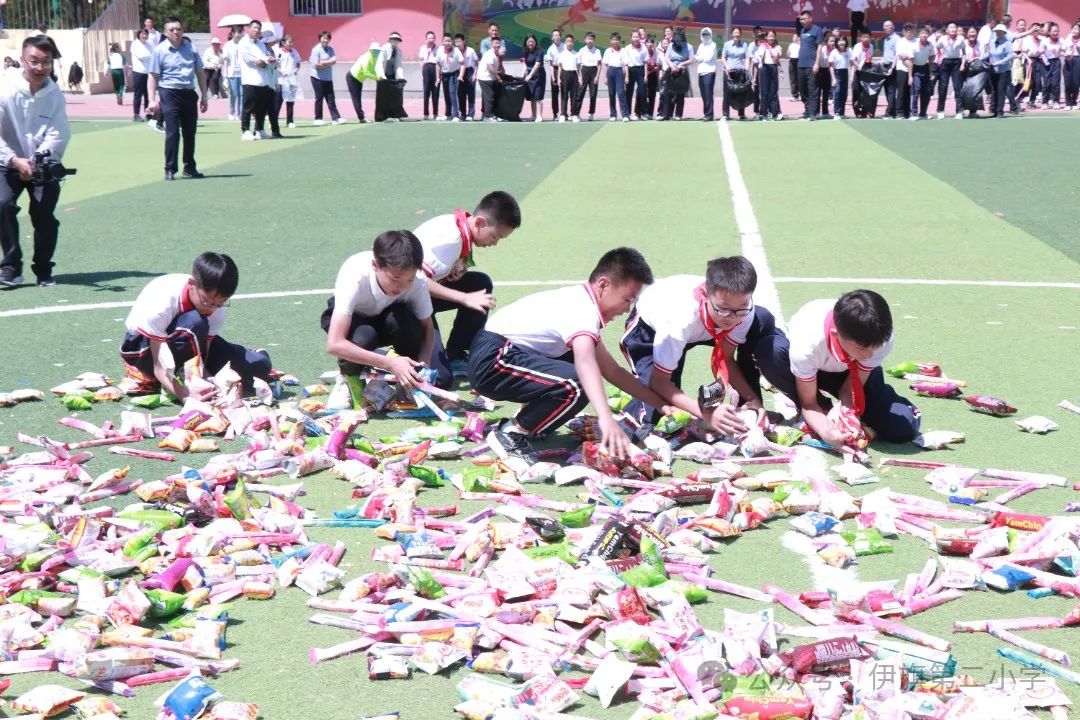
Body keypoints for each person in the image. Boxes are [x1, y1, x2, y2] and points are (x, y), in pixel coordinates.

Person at [468, 248, 673, 470]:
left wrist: (659, 403)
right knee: (577, 382)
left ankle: (530, 422)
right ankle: (511, 432)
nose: (627, 309)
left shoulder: (582, 304)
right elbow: (586, 364)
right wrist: (606, 418)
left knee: (578, 371)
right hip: (495, 359)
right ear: (603, 285)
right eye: (626, 299)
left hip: (502, 355)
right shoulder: (582, 310)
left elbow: (612, 370)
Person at [620, 257, 782, 434]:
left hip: (704, 327)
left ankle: (746, 407)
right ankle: (632, 405)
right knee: (660, 416)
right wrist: (706, 413)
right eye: (724, 308)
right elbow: (659, 382)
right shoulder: (679, 320)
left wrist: (752, 398)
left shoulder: (743, 312)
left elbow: (725, 359)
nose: (733, 317)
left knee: (762, 319)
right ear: (705, 295)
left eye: (741, 308)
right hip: (649, 332)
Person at [757, 290, 921, 445]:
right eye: (863, 348)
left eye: (875, 348)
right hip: (810, 366)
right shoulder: (807, 344)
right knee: (770, 351)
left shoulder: (880, 338)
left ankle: (899, 407)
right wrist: (827, 433)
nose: (870, 355)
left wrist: (848, 413)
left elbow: (850, 390)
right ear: (836, 335)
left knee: (901, 429)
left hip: (851, 371)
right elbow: (809, 405)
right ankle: (825, 407)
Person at [120, 252, 272, 399]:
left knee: (258, 368)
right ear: (192, 284)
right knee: (195, 322)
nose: (212, 308)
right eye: (207, 302)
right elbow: (159, 368)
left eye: (220, 304)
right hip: (142, 351)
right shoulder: (162, 303)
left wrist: (212, 384)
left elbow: (203, 353)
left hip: (189, 342)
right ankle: (177, 376)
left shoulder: (216, 306)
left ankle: (250, 355)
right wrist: (187, 397)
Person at [414, 191, 521, 381]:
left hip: (421, 297)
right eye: (495, 236)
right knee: (440, 379)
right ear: (479, 222)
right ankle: (396, 354)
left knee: (479, 284)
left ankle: (455, 355)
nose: (495, 243)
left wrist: (451, 272)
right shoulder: (451, 239)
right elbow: (416, 281)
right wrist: (464, 297)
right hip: (408, 304)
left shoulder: (459, 227)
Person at [322, 230, 436, 391]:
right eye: (395, 278)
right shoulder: (355, 275)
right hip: (354, 322)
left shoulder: (418, 281)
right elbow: (334, 344)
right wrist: (390, 363)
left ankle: (407, 378)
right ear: (376, 265)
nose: (402, 286)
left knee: (405, 320)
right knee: (365, 336)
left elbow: (427, 327)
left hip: (387, 320)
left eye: (409, 279)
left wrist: (424, 365)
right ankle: (348, 379)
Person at [0, 35, 69, 289]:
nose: (40, 68)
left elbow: (58, 133)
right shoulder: (4, 86)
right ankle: (11, 267)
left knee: (43, 215)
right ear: (22, 60)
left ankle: (43, 268)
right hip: (6, 160)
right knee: (2, 204)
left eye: (46, 62)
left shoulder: (55, 95)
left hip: (43, 163)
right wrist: (14, 160)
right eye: (34, 61)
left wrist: (40, 159)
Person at [146, 17, 207, 181]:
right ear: (165, 32)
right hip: (169, 93)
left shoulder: (191, 48)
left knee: (190, 132)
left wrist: (204, 96)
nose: (175, 32)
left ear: (183, 31)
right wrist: (152, 100)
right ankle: (170, 169)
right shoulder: (160, 50)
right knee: (172, 132)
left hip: (188, 93)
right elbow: (152, 76)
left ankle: (189, 167)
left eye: (178, 29)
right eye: (171, 29)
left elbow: (200, 72)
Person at [238, 20, 276, 141]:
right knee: (248, 107)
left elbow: (263, 59)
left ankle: (259, 130)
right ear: (248, 29)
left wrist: (268, 60)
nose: (257, 30)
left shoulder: (261, 43)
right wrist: (262, 61)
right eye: (254, 28)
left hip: (263, 81)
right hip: (250, 80)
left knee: (261, 107)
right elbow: (250, 60)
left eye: (259, 28)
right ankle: (245, 131)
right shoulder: (243, 43)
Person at [310, 31, 344, 125]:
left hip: (328, 78)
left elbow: (334, 60)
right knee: (319, 98)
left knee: (331, 98)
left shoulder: (331, 49)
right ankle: (318, 119)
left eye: (327, 38)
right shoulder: (316, 49)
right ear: (320, 38)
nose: (325, 40)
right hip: (317, 78)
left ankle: (336, 118)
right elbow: (316, 65)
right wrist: (328, 63)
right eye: (323, 38)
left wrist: (324, 63)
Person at [796, 11, 823, 119]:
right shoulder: (802, 30)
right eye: (801, 19)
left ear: (810, 18)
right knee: (803, 90)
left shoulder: (817, 30)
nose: (802, 21)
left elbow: (820, 47)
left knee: (812, 89)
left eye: (804, 19)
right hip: (800, 65)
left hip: (811, 65)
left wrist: (816, 63)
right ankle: (807, 110)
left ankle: (812, 113)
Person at [934, 22, 964, 118]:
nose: (953, 29)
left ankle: (959, 111)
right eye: (951, 27)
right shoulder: (943, 38)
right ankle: (940, 111)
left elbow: (964, 51)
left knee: (957, 87)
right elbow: (937, 47)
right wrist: (940, 57)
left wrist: (963, 63)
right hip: (945, 63)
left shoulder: (961, 39)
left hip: (956, 63)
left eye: (955, 27)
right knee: (943, 87)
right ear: (947, 30)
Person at [375, 31, 406, 122]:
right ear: (390, 40)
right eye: (393, 39)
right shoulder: (384, 49)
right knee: (382, 97)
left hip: (392, 76)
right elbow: (380, 63)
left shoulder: (399, 51)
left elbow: (398, 65)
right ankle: (381, 116)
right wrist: (382, 76)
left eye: (397, 40)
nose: (395, 41)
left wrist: (400, 77)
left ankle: (394, 114)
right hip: (383, 76)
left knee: (394, 96)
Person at [985, 23, 1014, 118]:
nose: (998, 33)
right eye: (997, 31)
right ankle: (994, 110)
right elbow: (989, 54)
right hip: (993, 70)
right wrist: (978, 58)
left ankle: (1000, 111)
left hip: (1003, 70)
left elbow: (1010, 56)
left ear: (1003, 32)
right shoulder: (992, 42)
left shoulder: (1007, 43)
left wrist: (999, 62)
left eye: (1000, 31)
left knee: (1001, 90)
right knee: (994, 90)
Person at [664, 28, 693, 120]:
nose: (677, 40)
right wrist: (672, 65)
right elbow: (666, 57)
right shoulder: (670, 45)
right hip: (672, 70)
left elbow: (692, 59)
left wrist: (682, 64)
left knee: (680, 94)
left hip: (682, 71)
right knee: (669, 92)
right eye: (676, 38)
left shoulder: (689, 47)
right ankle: (668, 114)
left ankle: (678, 114)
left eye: (679, 38)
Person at [436, 32, 464, 122]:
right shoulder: (440, 50)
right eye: (445, 41)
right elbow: (438, 64)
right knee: (446, 94)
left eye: (449, 41)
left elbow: (463, 64)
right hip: (444, 74)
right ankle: (448, 114)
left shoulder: (456, 51)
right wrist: (437, 77)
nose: (447, 43)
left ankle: (456, 115)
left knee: (452, 93)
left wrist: (460, 76)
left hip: (454, 74)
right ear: (442, 42)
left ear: (452, 42)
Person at [755, 30, 783, 120]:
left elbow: (777, 60)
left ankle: (774, 113)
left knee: (774, 91)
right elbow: (760, 59)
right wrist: (763, 53)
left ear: (775, 37)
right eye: (769, 36)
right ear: (766, 38)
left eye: (773, 36)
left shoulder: (778, 47)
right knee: (764, 92)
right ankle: (763, 113)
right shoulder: (762, 46)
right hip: (764, 68)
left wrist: (781, 70)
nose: (771, 38)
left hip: (773, 68)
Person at [602, 32, 630, 121]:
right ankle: (613, 115)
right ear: (610, 41)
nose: (615, 42)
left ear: (619, 41)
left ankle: (625, 115)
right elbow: (605, 65)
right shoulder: (607, 51)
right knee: (611, 94)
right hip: (610, 72)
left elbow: (626, 65)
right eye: (613, 40)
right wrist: (605, 77)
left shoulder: (623, 50)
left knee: (621, 93)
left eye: (617, 40)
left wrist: (627, 77)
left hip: (619, 72)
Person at [276, 34, 301, 129]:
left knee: (290, 101)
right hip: (281, 80)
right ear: (283, 43)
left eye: (292, 42)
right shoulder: (279, 52)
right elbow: (275, 65)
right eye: (289, 42)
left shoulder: (294, 52)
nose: (291, 44)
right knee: (278, 101)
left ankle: (289, 121)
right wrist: (281, 72)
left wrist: (295, 71)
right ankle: (274, 120)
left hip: (291, 80)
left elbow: (298, 64)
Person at [910, 26, 935, 119]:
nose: (924, 35)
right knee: (916, 90)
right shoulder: (914, 45)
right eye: (922, 33)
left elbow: (932, 56)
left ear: (928, 35)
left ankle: (923, 114)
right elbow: (911, 61)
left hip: (925, 69)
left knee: (926, 92)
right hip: (916, 69)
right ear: (919, 35)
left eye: (926, 33)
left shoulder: (930, 45)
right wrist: (910, 76)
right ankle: (914, 114)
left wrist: (931, 72)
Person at [477, 36, 503, 122]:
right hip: (485, 77)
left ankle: (489, 114)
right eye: (495, 43)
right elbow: (490, 67)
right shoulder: (489, 54)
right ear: (491, 44)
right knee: (489, 97)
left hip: (490, 78)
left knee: (490, 96)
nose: (497, 45)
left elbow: (496, 65)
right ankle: (488, 116)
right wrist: (498, 77)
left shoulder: (496, 54)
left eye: (499, 43)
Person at [575, 32, 601, 120]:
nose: (590, 41)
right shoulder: (581, 50)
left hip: (594, 71)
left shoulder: (597, 51)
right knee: (580, 93)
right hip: (584, 71)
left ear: (594, 40)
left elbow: (599, 65)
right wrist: (579, 76)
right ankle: (576, 113)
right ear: (585, 40)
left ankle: (591, 113)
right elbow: (578, 65)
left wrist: (597, 76)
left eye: (591, 39)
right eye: (588, 39)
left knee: (593, 94)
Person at [893, 23, 916, 119]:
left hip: (914, 68)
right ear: (903, 32)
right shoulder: (900, 41)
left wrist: (911, 58)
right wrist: (908, 58)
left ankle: (908, 112)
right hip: (902, 68)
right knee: (901, 91)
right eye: (907, 31)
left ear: (914, 32)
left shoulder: (917, 41)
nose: (909, 33)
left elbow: (916, 54)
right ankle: (899, 112)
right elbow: (901, 55)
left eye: (911, 30)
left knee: (910, 92)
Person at [129, 29, 153, 121]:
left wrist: (149, 57)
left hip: (148, 73)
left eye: (146, 34)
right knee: (138, 94)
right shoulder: (135, 44)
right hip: (138, 72)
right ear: (139, 35)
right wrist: (149, 56)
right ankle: (136, 114)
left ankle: (148, 114)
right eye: (143, 34)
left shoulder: (149, 45)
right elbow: (141, 56)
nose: (144, 36)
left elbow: (153, 55)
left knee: (148, 95)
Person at [696, 27, 719, 121]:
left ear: (710, 35)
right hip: (701, 71)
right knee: (703, 94)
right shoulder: (701, 45)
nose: (705, 36)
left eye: (707, 34)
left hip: (709, 71)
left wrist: (700, 58)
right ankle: (706, 113)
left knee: (708, 93)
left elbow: (708, 58)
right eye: (704, 34)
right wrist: (701, 58)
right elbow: (696, 57)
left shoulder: (713, 45)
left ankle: (709, 114)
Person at [556, 33, 580, 122]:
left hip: (574, 75)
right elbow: (560, 67)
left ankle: (573, 114)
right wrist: (558, 78)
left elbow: (579, 68)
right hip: (564, 74)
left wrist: (580, 77)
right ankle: (563, 114)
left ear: (573, 43)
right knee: (564, 95)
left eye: (571, 41)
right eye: (568, 41)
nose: (569, 43)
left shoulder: (576, 54)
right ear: (565, 43)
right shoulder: (562, 54)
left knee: (574, 96)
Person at [624, 30, 648, 119]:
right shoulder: (627, 48)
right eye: (634, 37)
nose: (636, 39)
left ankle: (641, 113)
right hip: (630, 70)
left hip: (640, 70)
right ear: (631, 38)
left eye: (637, 37)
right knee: (629, 92)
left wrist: (645, 76)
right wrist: (626, 76)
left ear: (640, 38)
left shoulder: (644, 48)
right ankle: (627, 114)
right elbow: (626, 64)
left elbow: (645, 62)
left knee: (642, 92)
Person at [521, 34, 545, 122]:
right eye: (529, 42)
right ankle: (534, 115)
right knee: (532, 96)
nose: (531, 43)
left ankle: (539, 116)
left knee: (538, 96)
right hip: (529, 77)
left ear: (535, 42)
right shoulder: (525, 51)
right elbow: (524, 63)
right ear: (526, 43)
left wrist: (530, 76)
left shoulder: (540, 51)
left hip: (539, 76)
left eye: (532, 41)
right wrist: (524, 72)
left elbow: (537, 65)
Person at [851, 30, 875, 117]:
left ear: (870, 38)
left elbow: (870, 58)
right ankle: (857, 111)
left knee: (866, 93)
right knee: (856, 91)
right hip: (858, 72)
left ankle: (865, 111)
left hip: (867, 72)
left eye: (867, 37)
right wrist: (858, 66)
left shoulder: (871, 46)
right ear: (861, 38)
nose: (866, 39)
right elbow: (853, 59)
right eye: (864, 37)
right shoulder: (857, 46)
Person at [881, 19, 901, 117]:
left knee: (891, 89)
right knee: (887, 89)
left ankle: (890, 111)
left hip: (892, 66)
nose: (886, 27)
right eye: (885, 26)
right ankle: (892, 110)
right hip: (885, 66)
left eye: (888, 25)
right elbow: (886, 54)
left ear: (893, 27)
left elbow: (897, 55)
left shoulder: (897, 39)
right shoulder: (886, 39)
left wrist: (892, 67)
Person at [1039, 23, 1062, 108]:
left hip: (1056, 62)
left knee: (1055, 83)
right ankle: (1045, 102)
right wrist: (1045, 61)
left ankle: (1056, 101)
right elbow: (1040, 51)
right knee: (1046, 84)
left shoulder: (1061, 40)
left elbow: (1064, 49)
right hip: (1046, 63)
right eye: (1053, 31)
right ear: (1049, 32)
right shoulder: (1045, 41)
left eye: (1057, 31)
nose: (1055, 33)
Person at [455, 34, 478, 121]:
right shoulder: (455, 51)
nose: (457, 44)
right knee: (460, 94)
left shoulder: (471, 51)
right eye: (456, 42)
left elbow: (476, 63)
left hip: (469, 72)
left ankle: (471, 114)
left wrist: (475, 74)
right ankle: (463, 114)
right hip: (459, 72)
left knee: (471, 94)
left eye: (459, 41)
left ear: (463, 41)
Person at [418, 31, 440, 120]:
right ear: (426, 39)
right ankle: (426, 114)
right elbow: (421, 61)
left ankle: (435, 113)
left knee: (435, 91)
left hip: (435, 68)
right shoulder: (423, 48)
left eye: (432, 38)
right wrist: (421, 73)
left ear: (435, 39)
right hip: (426, 68)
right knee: (426, 92)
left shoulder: (439, 48)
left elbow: (439, 62)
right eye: (429, 38)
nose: (431, 40)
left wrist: (439, 74)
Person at [223, 28, 243, 121]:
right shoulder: (228, 45)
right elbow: (226, 61)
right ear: (232, 33)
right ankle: (231, 112)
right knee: (234, 94)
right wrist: (225, 77)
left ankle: (240, 114)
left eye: (240, 32)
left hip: (243, 73)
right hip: (232, 73)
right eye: (237, 32)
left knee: (242, 94)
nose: (239, 34)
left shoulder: (243, 44)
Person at [829, 35, 851, 118]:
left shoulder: (849, 50)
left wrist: (852, 75)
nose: (842, 42)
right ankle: (837, 113)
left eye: (843, 40)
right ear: (837, 43)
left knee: (844, 93)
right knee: (837, 92)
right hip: (837, 73)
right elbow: (830, 65)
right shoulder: (834, 52)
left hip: (845, 72)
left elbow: (852, 62)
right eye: (839, 41)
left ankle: (842, 113)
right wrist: (833, 78)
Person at [545, 29, 564, 120]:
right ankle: (555, 113)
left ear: (560, 36)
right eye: (554, 35)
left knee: (565, 92)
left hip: (565, 70)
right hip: (555, 70)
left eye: (558, 35)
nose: (556, 37)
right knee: (554, 93)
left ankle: (564, 113)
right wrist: (553, 76)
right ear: (552, 38)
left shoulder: (565, 46)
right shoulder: (550, 49)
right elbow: (551, 65)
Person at [815, 33, 834, 117]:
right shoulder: (822, 49)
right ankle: (817, 112)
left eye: (834, 41)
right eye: (830, 41)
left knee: (826, 93)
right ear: (826, 42)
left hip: (828, 71)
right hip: (820, 71)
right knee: (818, 93)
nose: (832, 43)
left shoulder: (834, 50)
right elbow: (817, 60)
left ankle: (825, 112)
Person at [644, 35, 661, 118]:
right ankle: (643, 112)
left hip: (652, 75)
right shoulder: (643, 52)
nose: (649, 44)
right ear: (645, 43)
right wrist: (646, 73)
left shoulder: (656, 53)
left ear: (653, 44)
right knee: (643, 94)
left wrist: (651, 71)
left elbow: (658, 66)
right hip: (644, 75)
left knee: (652, 95)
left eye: (651, 42)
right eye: (647, 42)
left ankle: (650, 113)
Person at [1064, 22, 1080, 110]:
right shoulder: (1068, 38)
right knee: (1067, 83)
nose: (1074, 31)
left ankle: (1074, 102)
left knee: (1076, 83)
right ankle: (1067, 102)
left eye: (1077, 29)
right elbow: (1062, 49)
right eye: (1073, 29)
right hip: (1068, 60)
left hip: (1078, 60)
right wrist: (1065, 55)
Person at [786, 33, 801, 100]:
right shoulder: (791, 45)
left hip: (799, 61)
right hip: (792, 61)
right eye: (793, 37)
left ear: (798, 38)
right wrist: (789, 55)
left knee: (799, 78)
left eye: (795, 37)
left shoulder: (800, 45)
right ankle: (795, 95)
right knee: (793, 78)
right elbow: (787, 54)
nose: (793, 38)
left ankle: (801, 93)